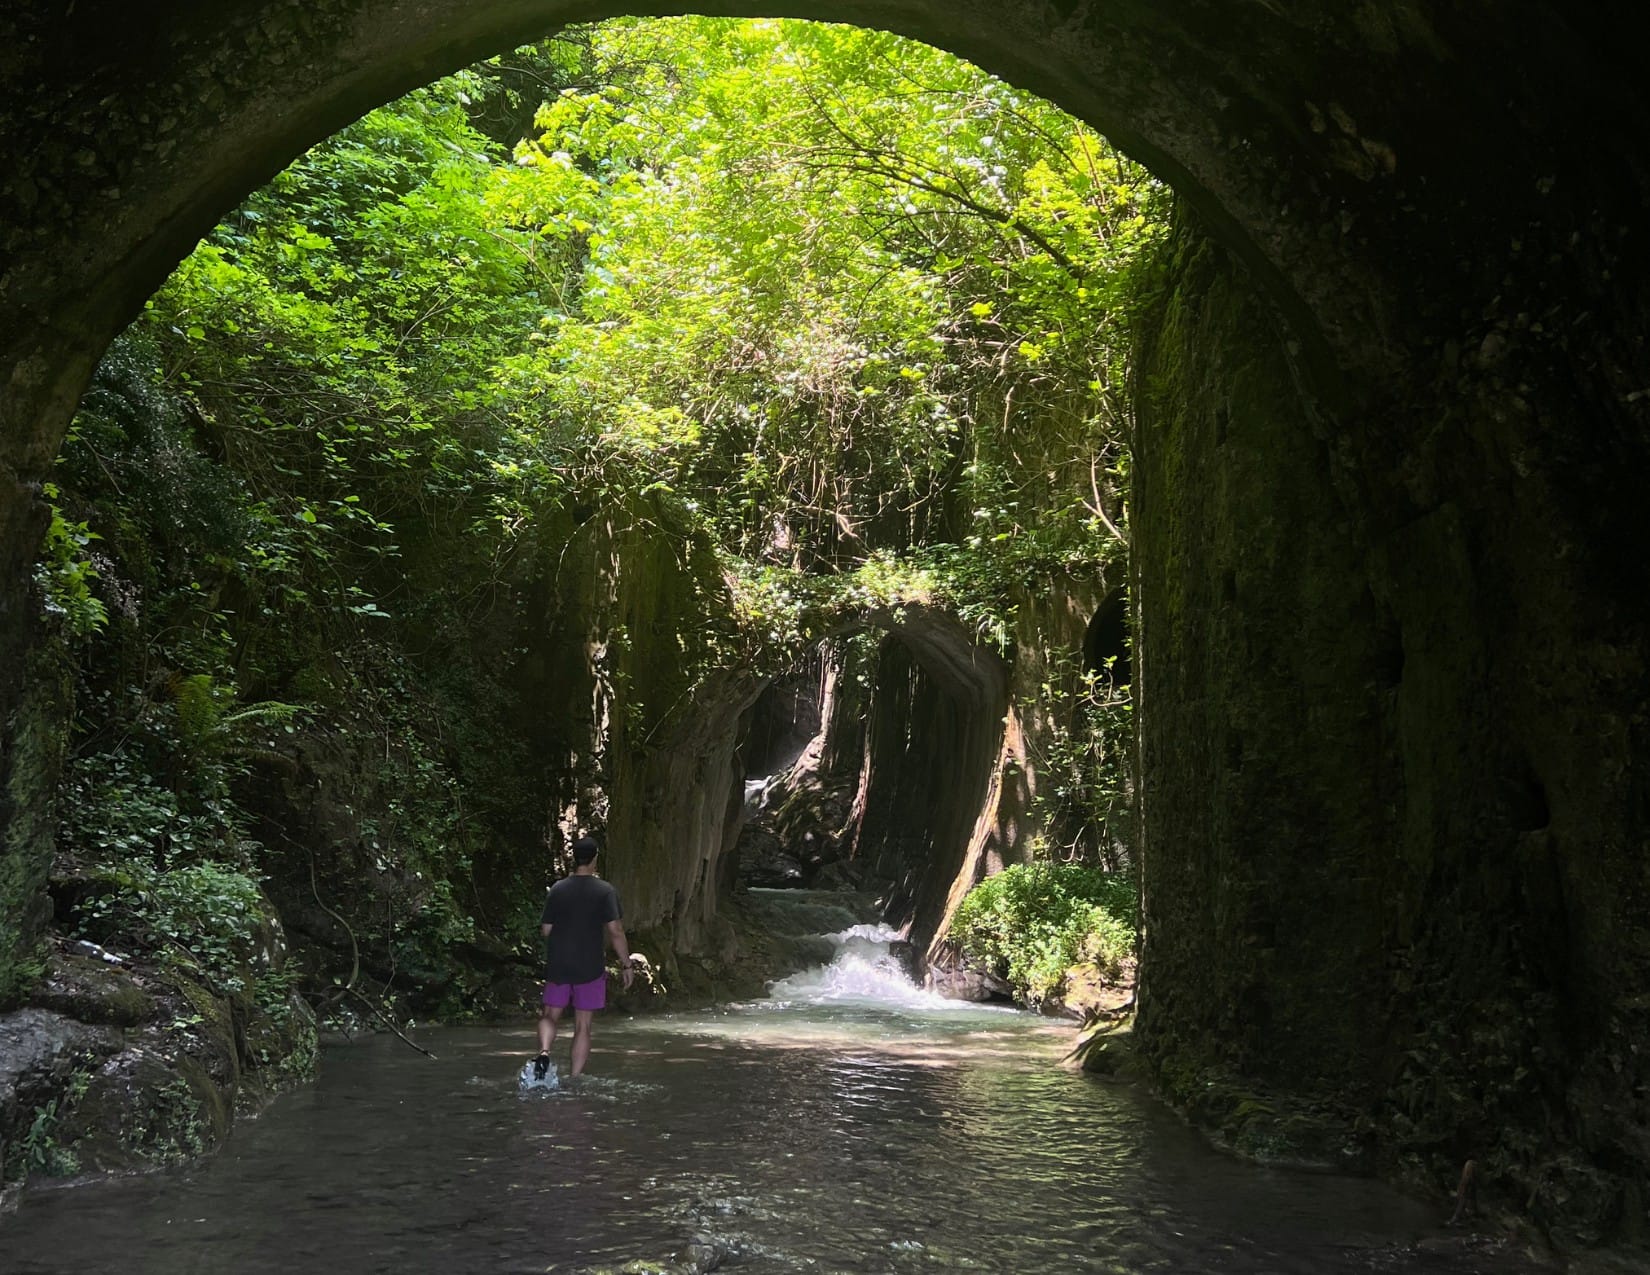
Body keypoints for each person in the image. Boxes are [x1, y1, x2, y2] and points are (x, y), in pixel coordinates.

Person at [534, 834, 634, 1080]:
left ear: (574, 859)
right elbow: (615, 931)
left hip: (559, 962)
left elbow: (546, 930)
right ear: (594, 860)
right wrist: (626, 963)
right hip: (589, 965)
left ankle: (544, 1052)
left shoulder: (558, 889)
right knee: (583, 1025)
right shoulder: (605, 891)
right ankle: (575, 1077)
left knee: (549, 1015)